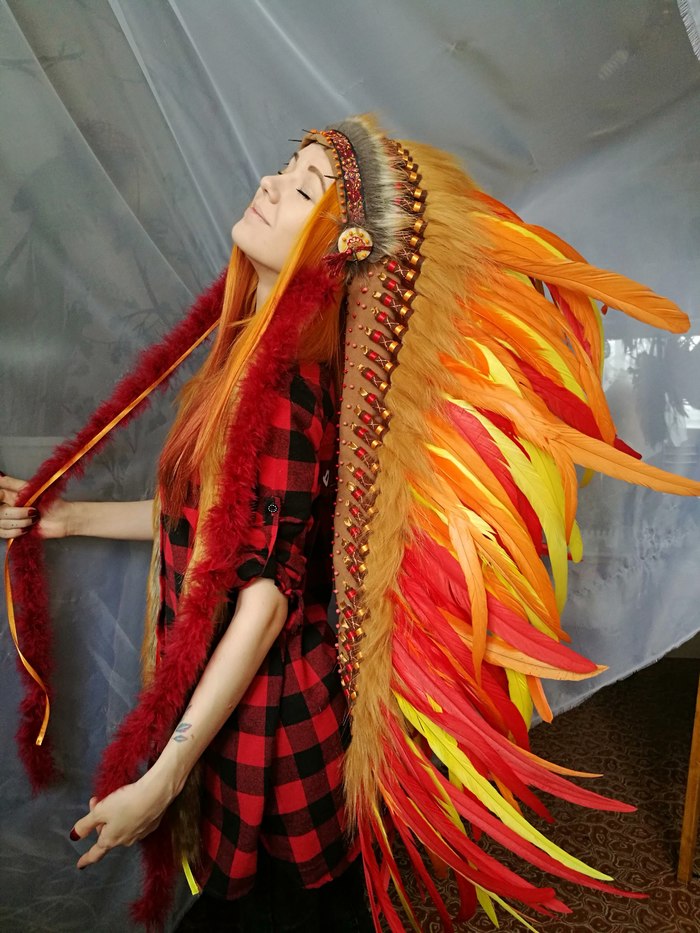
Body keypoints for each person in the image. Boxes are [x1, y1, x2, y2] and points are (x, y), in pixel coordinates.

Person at [3, 114, 699, 932]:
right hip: (238, 712)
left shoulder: (286, 393)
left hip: (274, 725)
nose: (270, 186)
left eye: (305, 190)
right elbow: (208, 524)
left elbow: (262, 599)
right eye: (285, 169)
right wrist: (64, 519)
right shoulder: (248, 360)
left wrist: (163, 777)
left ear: (340, 248)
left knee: (293, 907)